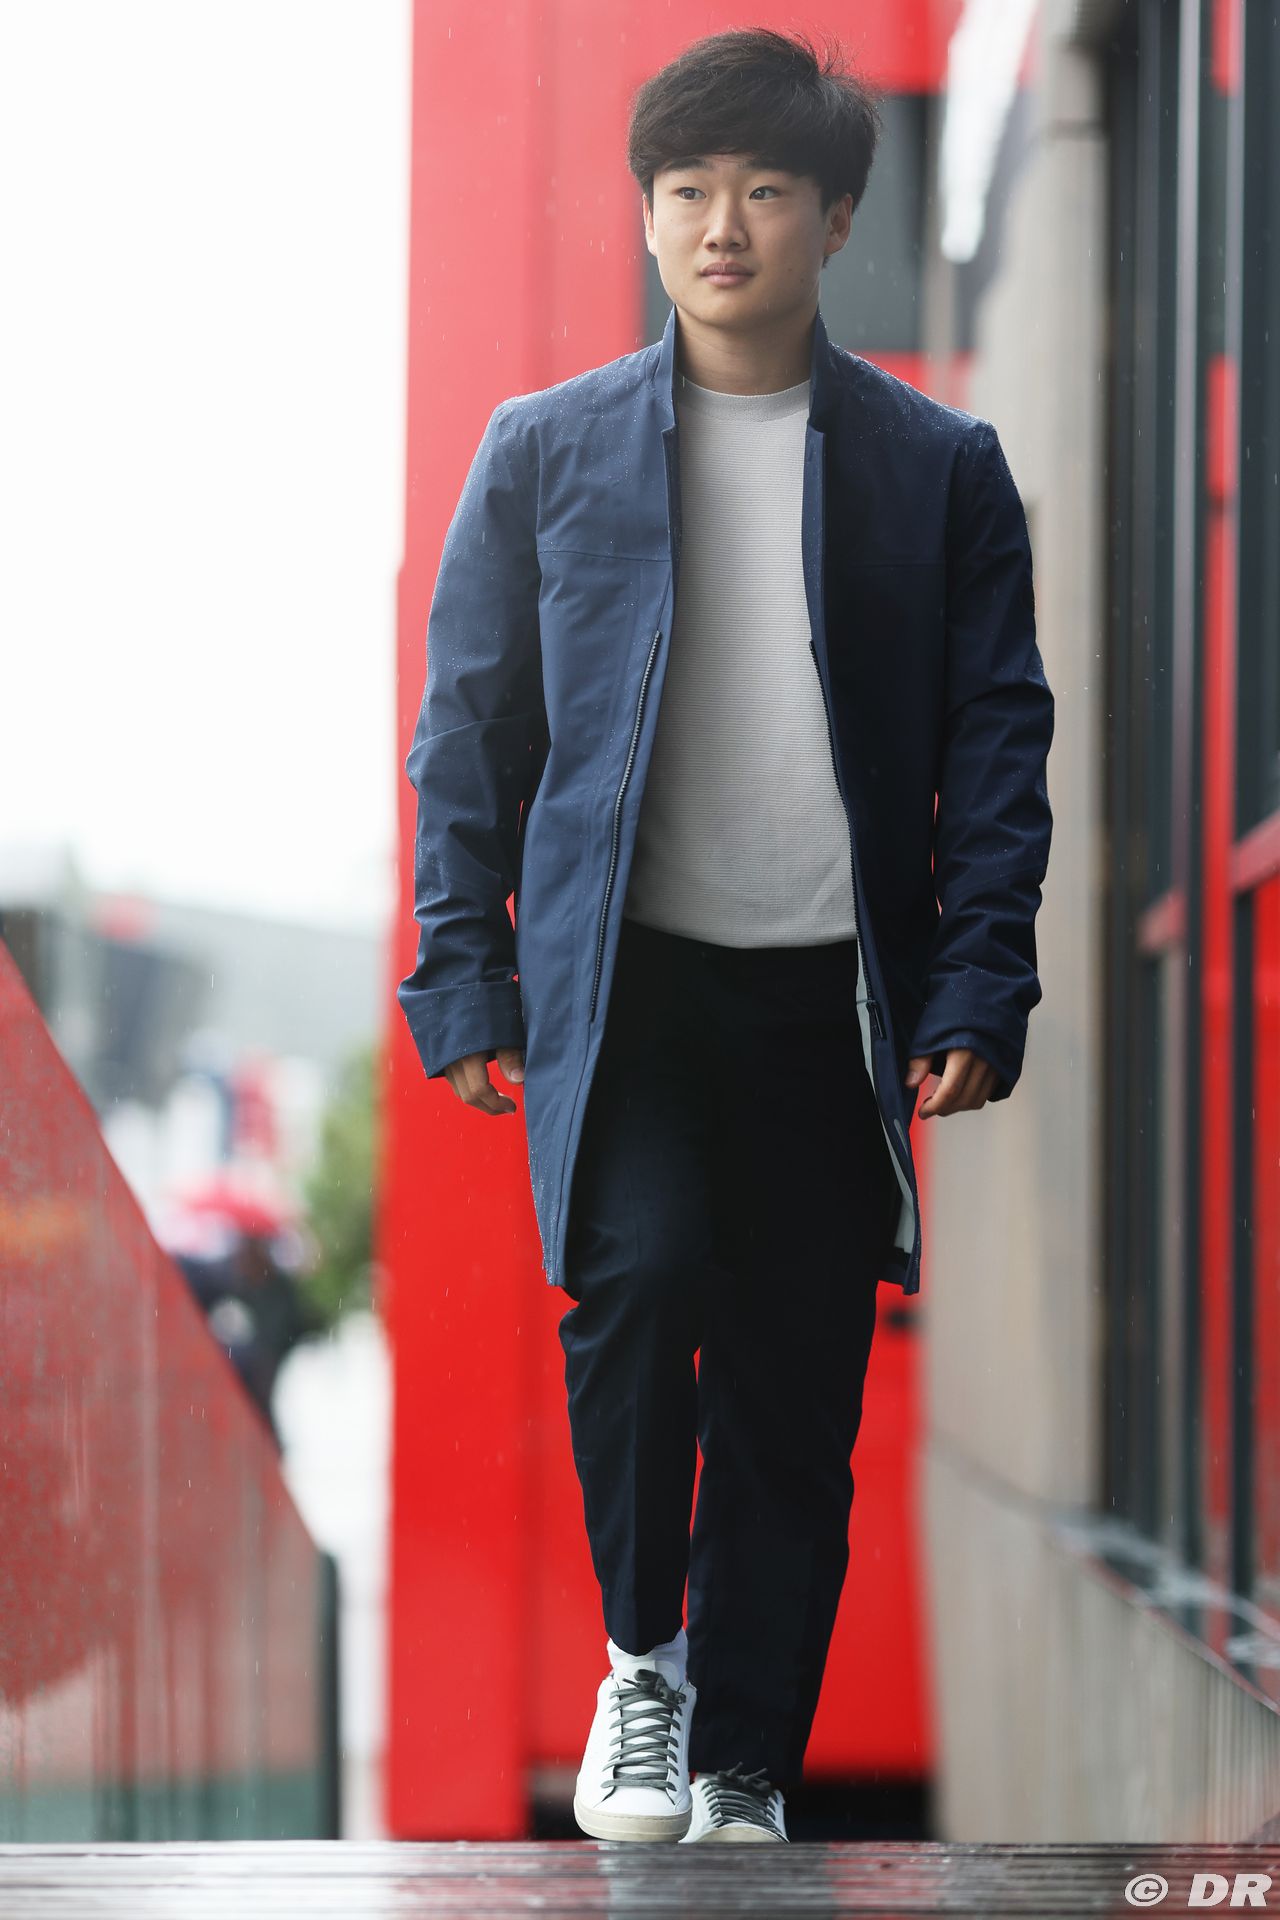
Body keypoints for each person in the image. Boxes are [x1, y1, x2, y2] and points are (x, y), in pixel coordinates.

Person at [397, 26, 1054, 1846]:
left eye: (766, 190)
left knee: (793, 1385)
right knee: (643, 1282)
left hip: (835, 1000)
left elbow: (1001, 741)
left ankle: (748, 1763)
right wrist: (466, 967)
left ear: (836, 219)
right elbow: (469, 733)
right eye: (686, 189)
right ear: (647, 214)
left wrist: (981, 974)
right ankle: (644, 1665)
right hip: (635, 989)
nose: (721, 226)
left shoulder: (940, 468)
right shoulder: (544, 453)